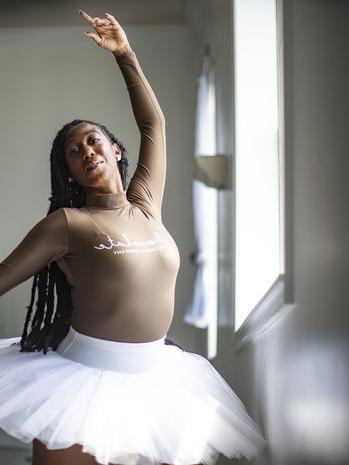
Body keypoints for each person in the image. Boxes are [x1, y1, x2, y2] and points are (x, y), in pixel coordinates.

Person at [0, 10, 267, 465]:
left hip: (158, 379)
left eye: (93, 140)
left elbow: (155, 126)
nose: (86, 151)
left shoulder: (145, 202)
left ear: (114, 149)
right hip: (80, 379)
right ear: (68, 171)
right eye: (73, 152)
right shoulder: (67, 223)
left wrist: (124, 54)